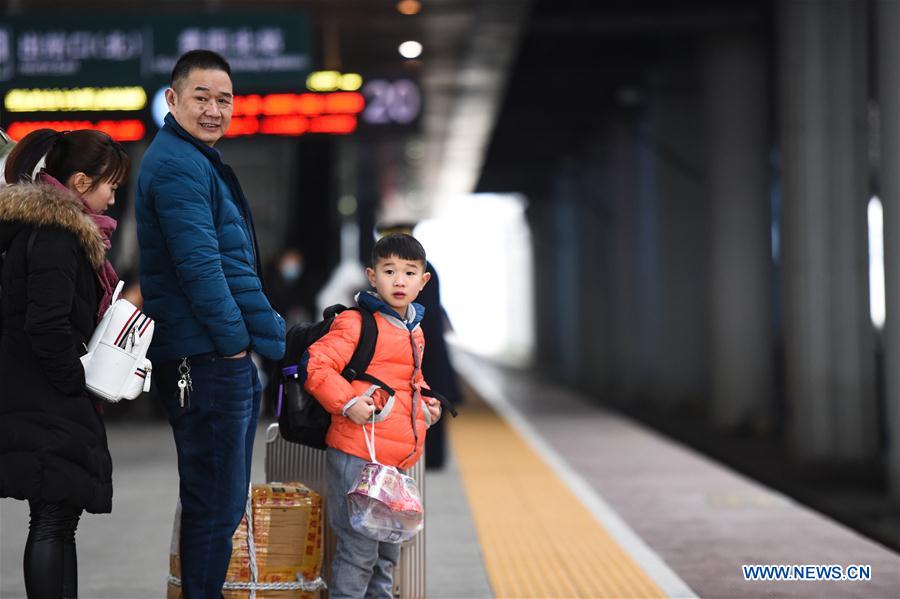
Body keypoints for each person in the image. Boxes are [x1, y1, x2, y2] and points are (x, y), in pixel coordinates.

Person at [135, 49, 285, 598]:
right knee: (213, 505)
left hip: (210, 356)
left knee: (216, 502)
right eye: (201, 97)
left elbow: (230, 262)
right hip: (206, 360)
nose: (214, 109)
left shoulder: (196, 160)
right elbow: (201, 268)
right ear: (171, 101)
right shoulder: (177, 164)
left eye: (224, 99)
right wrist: (232, 347)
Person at [0, 128, 129, 598]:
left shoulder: (50, 230)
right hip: (48, 399)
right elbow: (47, 323)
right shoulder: (57, 235)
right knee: (53, 520)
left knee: (58, 518)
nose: (113, 199)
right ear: (78, 182)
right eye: (109, 186)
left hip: (43, 395)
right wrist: (78, 381)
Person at [303, 233, 441, 599]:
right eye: (389, 270)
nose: (399, 280)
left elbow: (410, 379)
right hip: (356, 453)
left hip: (391, 460)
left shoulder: (415, 329)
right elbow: (316, 366)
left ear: (423, 281)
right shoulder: (356, 322)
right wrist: (348, 403)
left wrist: (426, 402)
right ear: (371, 275)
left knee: (385, 553)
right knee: (358, 552)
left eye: (409, 273)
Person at [375, 223, 462, 469]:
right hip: (421, 347)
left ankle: (431, 459)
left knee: (430, 400)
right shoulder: (417, 268)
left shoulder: (419, 270)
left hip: (424, 348)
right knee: (427, 400)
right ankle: (430, 458)